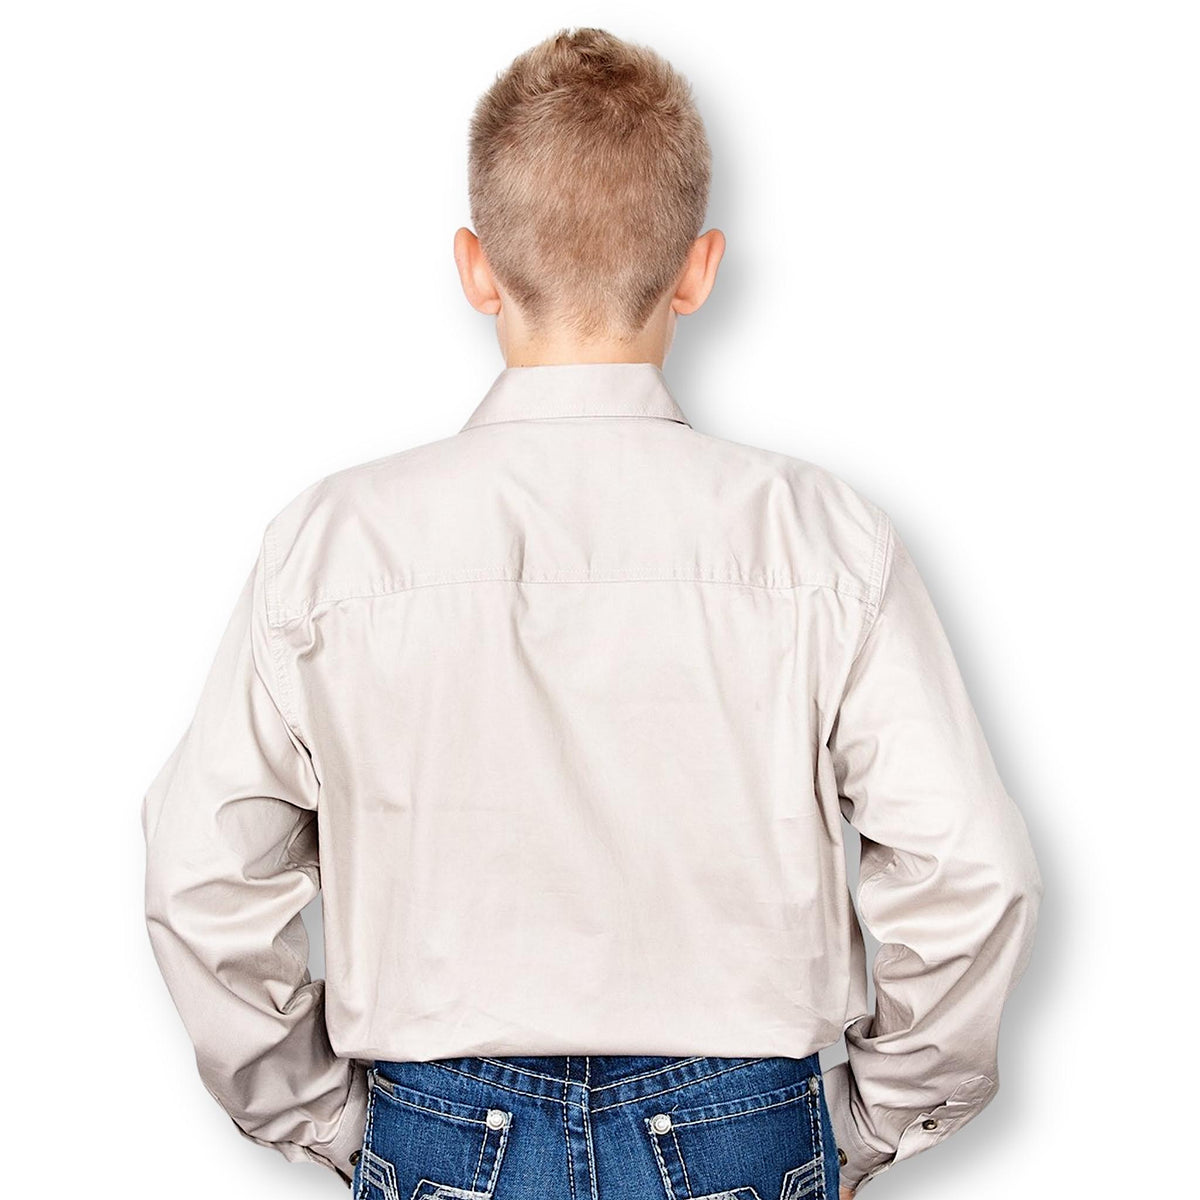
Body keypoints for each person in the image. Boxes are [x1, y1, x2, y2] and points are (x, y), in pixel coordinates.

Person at [140, 26, 1043, 1200]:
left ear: (474, 266)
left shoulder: (333, 543)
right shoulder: (822, 538)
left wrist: (320, 1118)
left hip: (440, 1131)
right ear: (698, 267)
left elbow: (200, 878)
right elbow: (970, 870)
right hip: (745, 1129)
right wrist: (873, 1121)